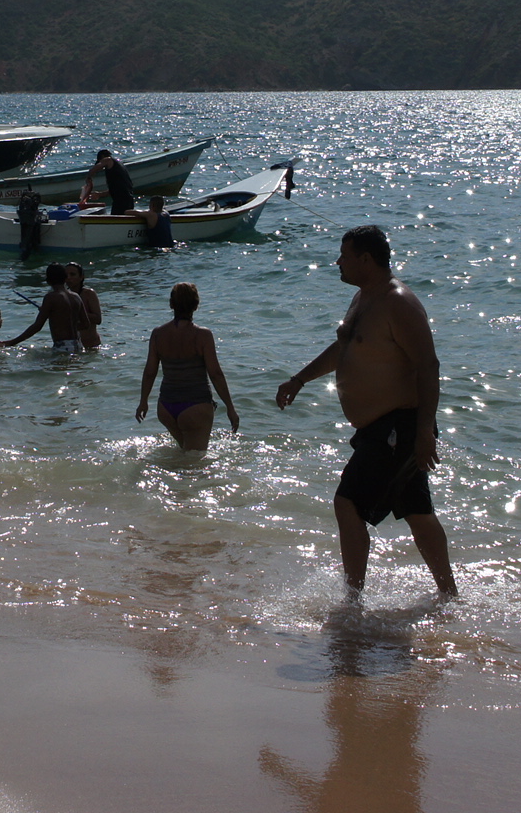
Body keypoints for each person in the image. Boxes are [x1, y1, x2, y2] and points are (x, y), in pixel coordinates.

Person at [275, 225, 456, 597]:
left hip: (398, 426)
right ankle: (448, 595)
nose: (337, 262)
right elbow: (345, 349)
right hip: (382, 429)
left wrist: (424, 432)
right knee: (417, 512)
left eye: (344, 255)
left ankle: (353, 600)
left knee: (348, 503)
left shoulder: (398, 302)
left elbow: (429, 366)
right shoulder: (363, 298)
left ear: (366, 259)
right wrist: (300, 379)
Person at [136, 283, 241, 451]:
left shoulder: (158, 334)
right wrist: (230, 407)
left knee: (184, 453)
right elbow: (215, 373)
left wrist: (143, 402)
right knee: (194, 465)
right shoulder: (203, 335)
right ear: (196, 305)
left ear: (171, 304)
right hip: (195, 406)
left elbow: (150, 372)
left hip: (166, 407)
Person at [4, 263, 92, 352]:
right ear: (65, 278)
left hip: (62, 347)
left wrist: (12, 342)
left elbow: (37, 326)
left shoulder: (51, 297)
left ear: (47, 281)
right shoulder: (76, 296)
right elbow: (86, 324)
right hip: (79, 345)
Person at [63, 262, 103, 349]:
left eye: (72, 274)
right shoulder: (64, 296)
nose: (68, 278)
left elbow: (98, 319)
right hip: (72, 345)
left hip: (91, 346)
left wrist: (76, 312)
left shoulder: (89, 294)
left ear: (81, 277)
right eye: (66, 275)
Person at [94, 150, 137, 215]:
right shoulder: (115, 169)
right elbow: (114, 189)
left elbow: (107, 160)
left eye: (101, 163)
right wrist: (99, 194)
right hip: (125, 199)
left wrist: (89, 175)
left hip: (122, 201)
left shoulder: (111, 162)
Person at [14, 189, 44, 260]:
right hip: (29, 221)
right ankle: (28, 252)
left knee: (27, 240)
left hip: (27, 221)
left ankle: (26, 252)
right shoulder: (28, 203)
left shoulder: (24, 203)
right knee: (28, 240)